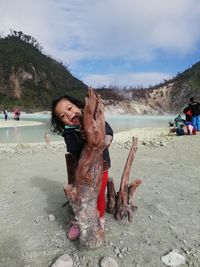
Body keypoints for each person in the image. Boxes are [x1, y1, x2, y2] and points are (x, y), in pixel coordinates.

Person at [51, 91, 113, 241]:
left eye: (70, 108)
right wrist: (85, 139)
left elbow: (109, 132)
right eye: (63, 116)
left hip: (102, 168)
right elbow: (74, 149)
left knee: (99, 196)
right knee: (81, 198)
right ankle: (80, 220)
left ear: (79, 106)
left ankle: (100, 218)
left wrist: (103, 137)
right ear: (62, 123)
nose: (68, 114)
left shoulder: (96, 119)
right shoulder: (69, 134)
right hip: (83, 174)